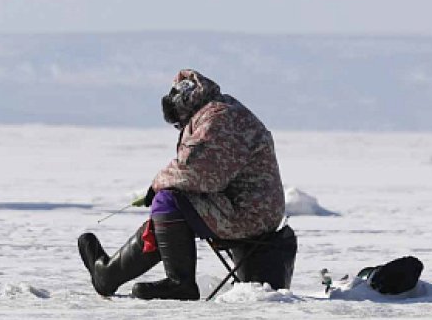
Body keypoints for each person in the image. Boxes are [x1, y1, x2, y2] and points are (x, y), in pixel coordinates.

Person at [78, 69, 287, 300]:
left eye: (177, 120)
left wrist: (156, 185)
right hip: (244, 208)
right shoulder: (217, 111)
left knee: (168, 200)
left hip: (249, 216)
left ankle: (180, 284)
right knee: (170, 211)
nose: (178, 126)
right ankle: (108, 275)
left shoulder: (218, 119)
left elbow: (197, 173)